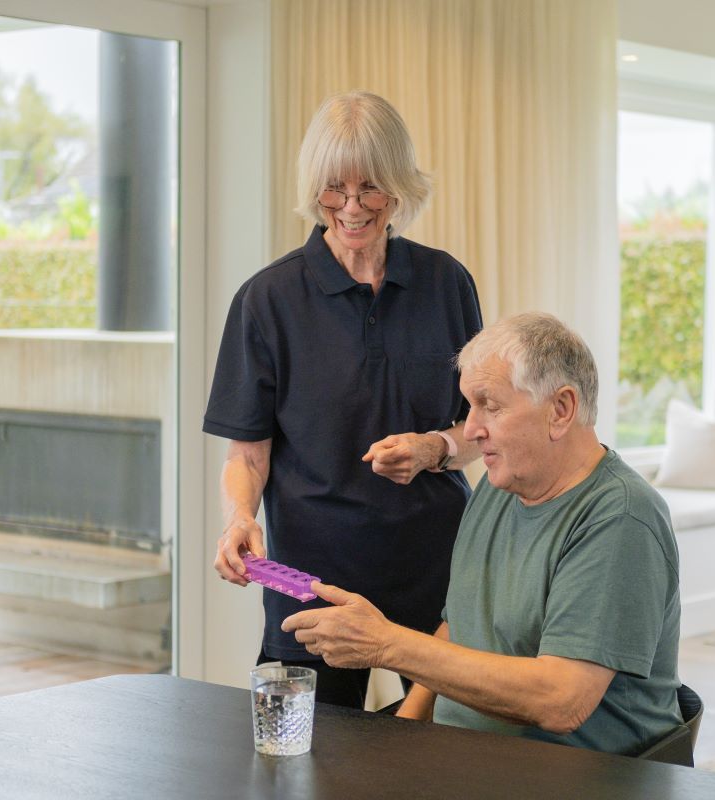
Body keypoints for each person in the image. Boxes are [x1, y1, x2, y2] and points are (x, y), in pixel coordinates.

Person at [283, 312, 683, 754]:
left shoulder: (620, 518)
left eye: (490, 405)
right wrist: (403, 733)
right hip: (469, 757)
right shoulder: (500, 487)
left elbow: (561, 702)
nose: (471, 428)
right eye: (469, 405)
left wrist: (387, 644)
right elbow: (460, 624)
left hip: (581, 778)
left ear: (561, 410)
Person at [202, 91, 483, 709]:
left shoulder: (446, 284)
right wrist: (239, 518)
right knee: (303, 767)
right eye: (334, 190)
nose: (351, 209)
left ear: (399, 188)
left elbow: (479, 431)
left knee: (448, 763)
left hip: (435, 575)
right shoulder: (267, 300)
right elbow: (247, 453)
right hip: (307, 581)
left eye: (370, 190)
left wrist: (435, 447)